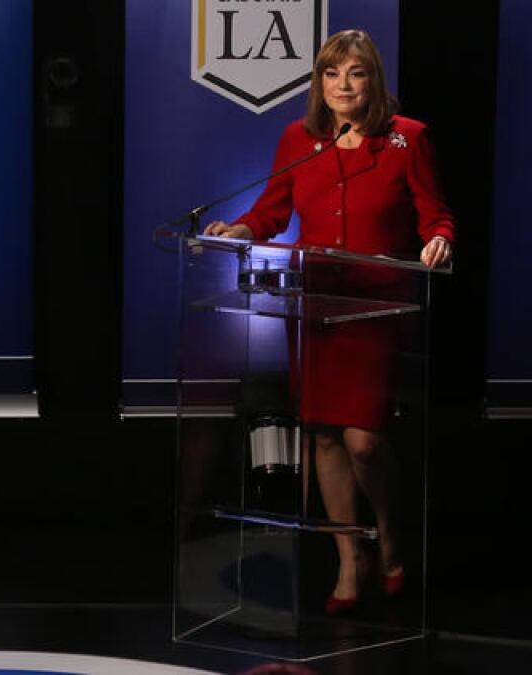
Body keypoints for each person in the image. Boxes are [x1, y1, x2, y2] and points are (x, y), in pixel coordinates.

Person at [204, 29, 454, 614]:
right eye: (332, 73)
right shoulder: (300, 138)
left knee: (364, 441)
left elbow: (434, 213)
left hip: (375, 309)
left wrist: (440, 239)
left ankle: (389, 532)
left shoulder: (407, 139)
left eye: (356, 73)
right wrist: (239, 230)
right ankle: (349, 557)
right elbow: (270, 211)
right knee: (320, 434)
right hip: (314, 307)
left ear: (374, 80)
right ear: (319, 82)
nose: (343, 85)